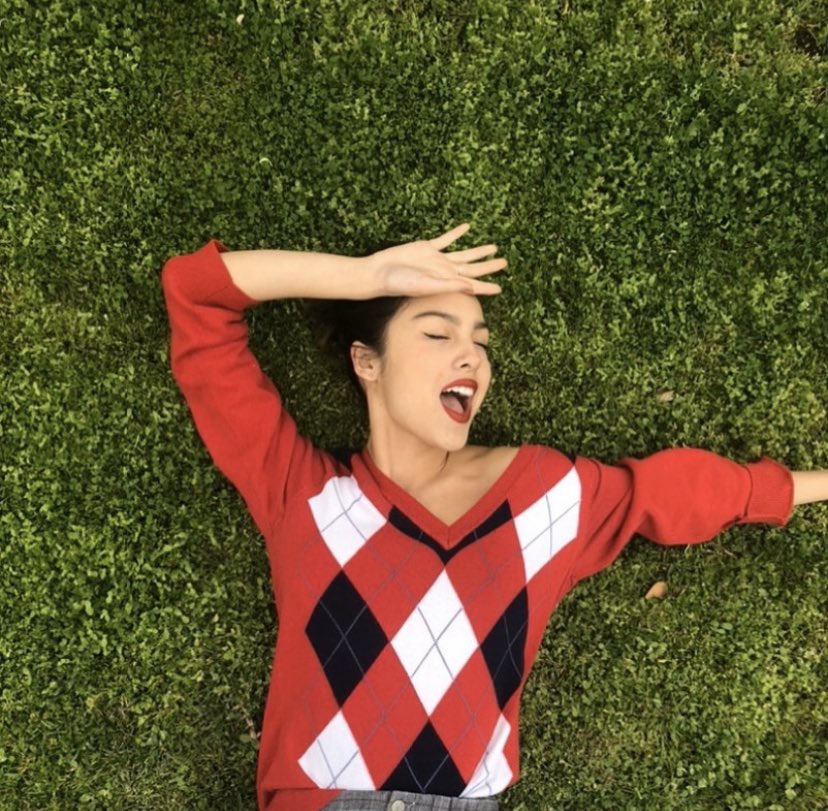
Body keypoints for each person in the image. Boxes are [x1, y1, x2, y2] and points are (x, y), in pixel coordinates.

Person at [161, 223, 825, 811]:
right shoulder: (303, 494)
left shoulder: (547, 494)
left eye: (479, 341)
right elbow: (196, 295)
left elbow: (675, 493)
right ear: (367, 361)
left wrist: (814, 485)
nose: (471, 355)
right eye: (436, 332)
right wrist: (369, 277)